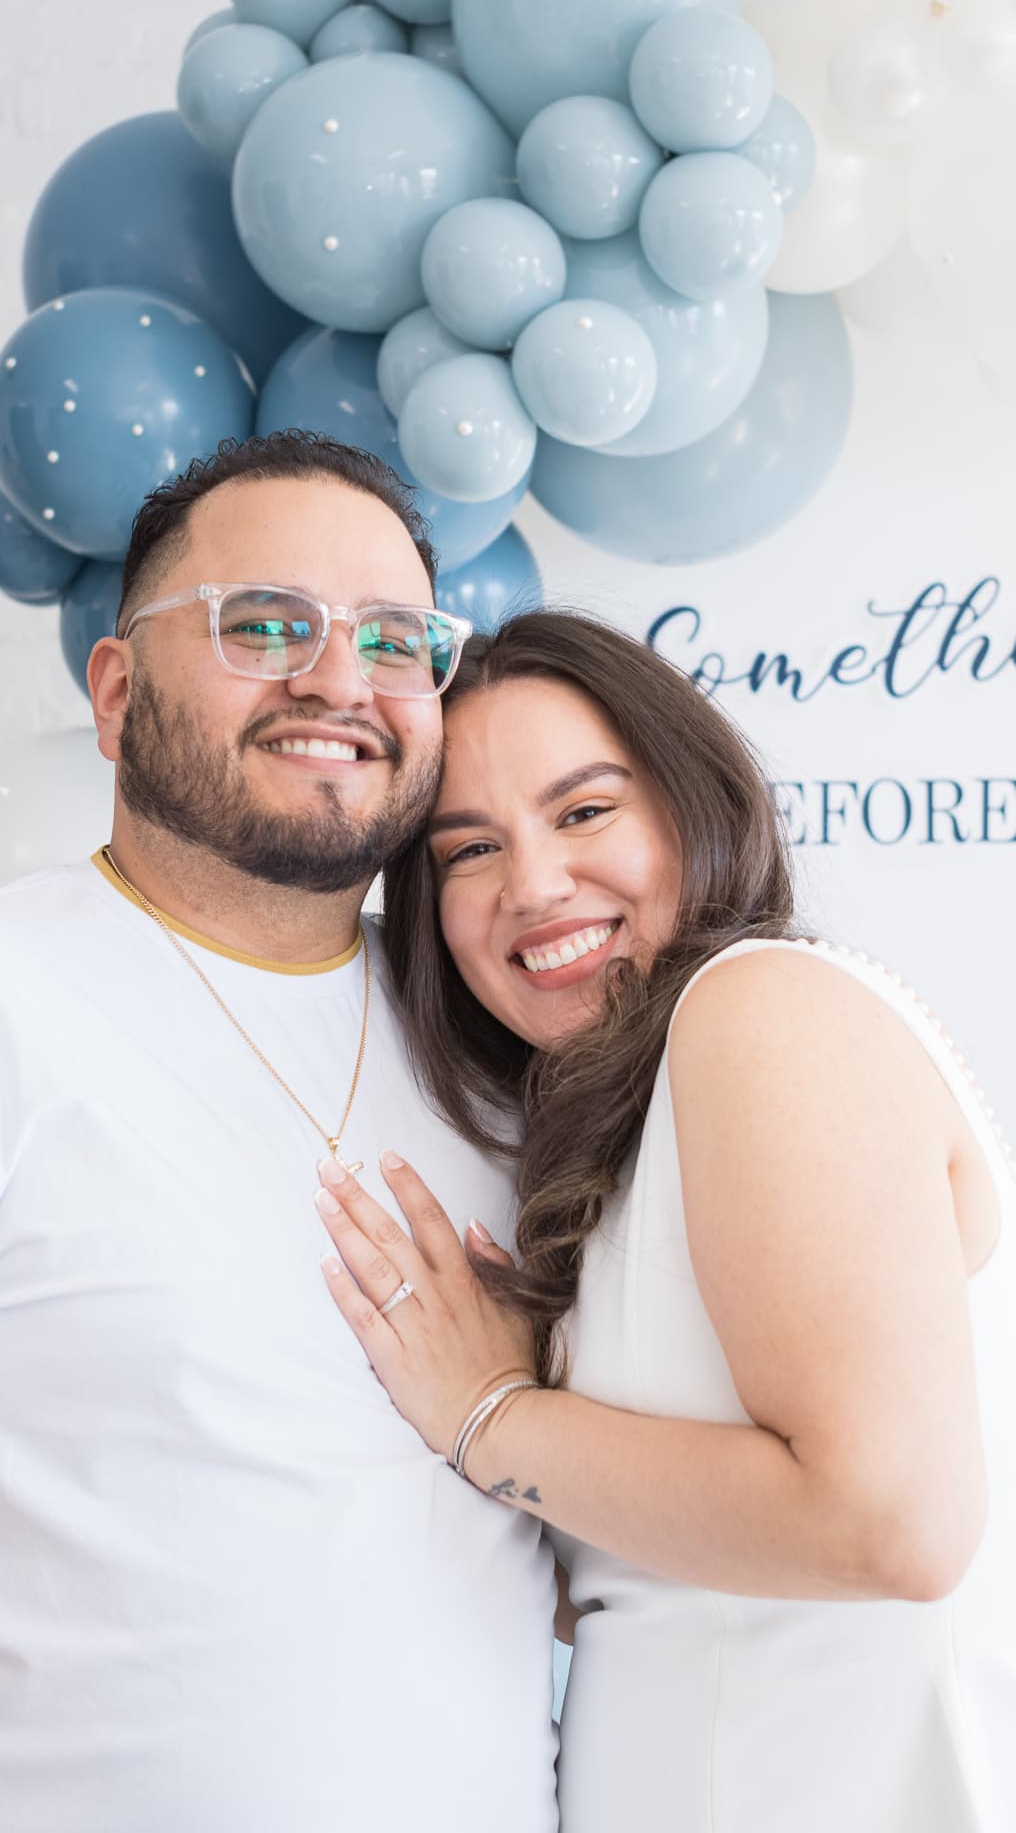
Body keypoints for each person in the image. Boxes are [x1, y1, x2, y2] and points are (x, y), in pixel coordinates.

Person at [0, 436, 561, 1833]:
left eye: (397, 639)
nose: (337, 679)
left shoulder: (497, 1046)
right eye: (265, 624)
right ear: (119, 693)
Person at [312, 609, 1016, 1833]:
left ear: (693, 802)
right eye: (467, 848)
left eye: (584, 811)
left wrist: (491, 1416)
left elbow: (889, 1522)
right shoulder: (619, 1120)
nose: (531, 885)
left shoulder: (757, 1010)